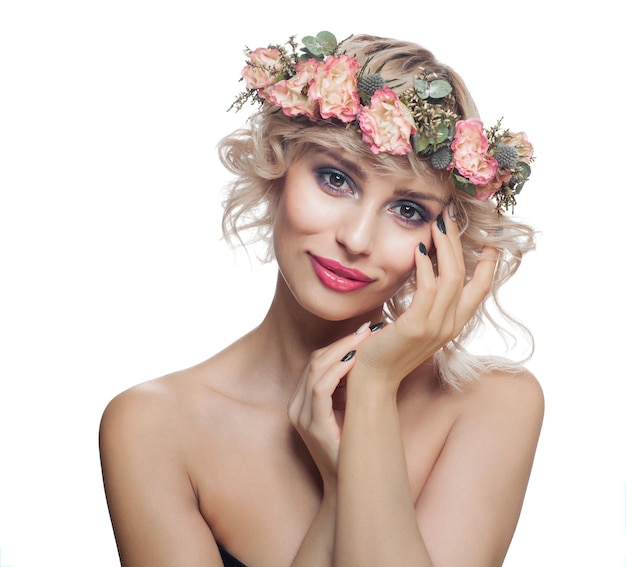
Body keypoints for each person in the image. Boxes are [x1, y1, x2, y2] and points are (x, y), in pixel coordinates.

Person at [99, 31, 543, 567]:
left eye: (408, 211)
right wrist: (340, 494)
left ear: (446, 242)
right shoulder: (153, 428)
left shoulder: (493, 403)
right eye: (335, 179)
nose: (356, 240)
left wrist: (373, 391)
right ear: (278, 169)